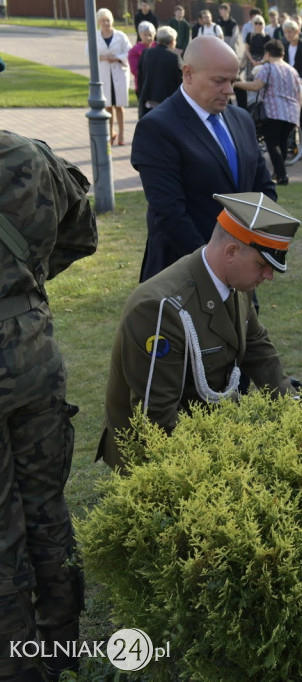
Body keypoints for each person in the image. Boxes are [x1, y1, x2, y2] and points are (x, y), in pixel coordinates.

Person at [98, 193, 300, 470]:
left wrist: (293, 410)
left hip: (207, 433)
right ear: (230, 252)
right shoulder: (161, 308)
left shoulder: (234, 283)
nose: (268, 276)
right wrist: (222, 461)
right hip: (159, 459)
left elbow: (257, 348)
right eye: (262, 265)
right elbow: (156, 418)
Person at [0, 130, 98, 682]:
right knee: (46, 507)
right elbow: (81, 235)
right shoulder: (30, 156)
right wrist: (23, 288)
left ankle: (18, 665)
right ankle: (60, 645)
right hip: (33, 357)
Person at [131, 36, 276, 282]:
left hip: (240, 275)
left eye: (233, 80)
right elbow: (170, 213)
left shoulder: (241, 119)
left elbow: (264, 190)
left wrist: (249, 251)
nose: (230, 90)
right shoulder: (157, 127)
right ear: (188, 74)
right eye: (219, 81)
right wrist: (215, 268)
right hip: (184, 276)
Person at [235, 40, 302, 185]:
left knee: (272, 145)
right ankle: (278, 173)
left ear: (267, 53)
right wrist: (298, 115)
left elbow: (255, 86)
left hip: (273, 111)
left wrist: (236, 84)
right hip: (291, 112)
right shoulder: (293, 71)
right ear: (283, 53)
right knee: (283, 143)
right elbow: (299, 94)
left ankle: (282, 176)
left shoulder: (268, 68)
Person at [90, 8, 131, 147]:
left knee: (119, 105)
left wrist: (117, 58)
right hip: (105, 74)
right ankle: (110, 132)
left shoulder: (120, 36)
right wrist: (101, 57)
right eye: (103, 21)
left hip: (118, 72)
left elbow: (128, 52)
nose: (106, 23)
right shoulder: (95, 36)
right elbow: (89, 52)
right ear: (99, 22)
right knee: (108, 106)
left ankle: (121, 135)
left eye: (108, 20)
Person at [137, 26, 182, 119]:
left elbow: (140, 77)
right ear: (172, 41)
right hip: (167, 104)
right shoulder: (174, 57)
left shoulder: (146, 53)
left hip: (147, 102)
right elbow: (181, 82)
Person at [283, 20, 302, 154]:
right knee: (289, 117)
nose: (288, 35)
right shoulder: (284, 46)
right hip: (287, 86)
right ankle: (291, 146)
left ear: (297, 32)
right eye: (286, 32)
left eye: (291, 32)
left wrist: (297, 82)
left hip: (300, 86)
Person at [128, 21, 156, 94]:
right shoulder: (134, 50)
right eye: (145, 35)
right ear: (140, 35)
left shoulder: (157, 47)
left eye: (150, 35)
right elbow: (135, 69)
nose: (148, 37)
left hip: (157, 84)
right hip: (142, 84)